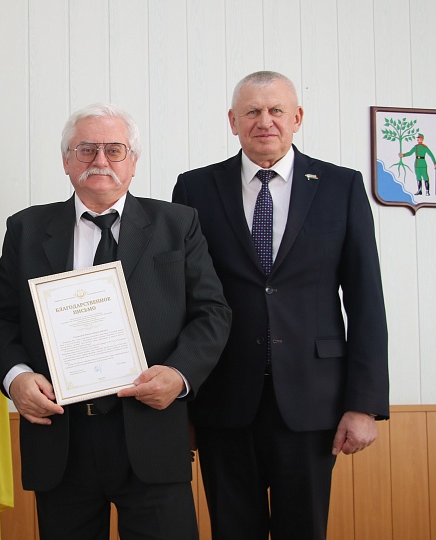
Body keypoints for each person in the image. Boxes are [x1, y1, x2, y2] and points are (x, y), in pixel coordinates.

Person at [0, 103, 231, 540]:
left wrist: (179, 374)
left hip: (152, 431)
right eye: (86, 149)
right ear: (66, 161)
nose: (100, 160)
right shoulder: (26, 228)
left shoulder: (177, 224)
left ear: (133, 162)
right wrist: (16, 377)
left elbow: (213, 312)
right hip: (61, 437)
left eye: (114, 150)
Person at [173, 71, 389, 539]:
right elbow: (182, 303)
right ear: (233, 121)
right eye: (252, 111)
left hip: (314, 402)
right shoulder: (194, 189)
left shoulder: (340, 186)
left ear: (297, 117)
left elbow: (365, 299)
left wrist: (365, 404)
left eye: (276, 110)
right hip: (223, 399)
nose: (264, 121)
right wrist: (182, 407)